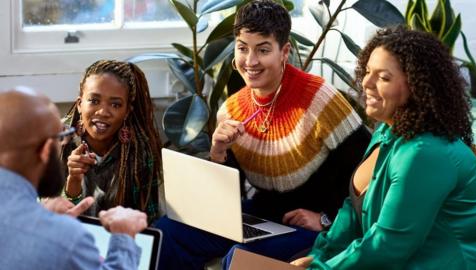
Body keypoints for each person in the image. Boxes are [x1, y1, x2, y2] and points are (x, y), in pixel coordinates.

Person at [154, 1, 372, 269]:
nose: (251, 61)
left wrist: (327, 218)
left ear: (285, 51)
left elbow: (368, 171)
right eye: (243, 48)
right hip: (264, 217)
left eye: (263, 50)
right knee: (167, 231)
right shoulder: (230, 110)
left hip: (318, 224)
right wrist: (219, 152)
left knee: (241, 257)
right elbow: (225, 199)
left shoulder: (320, 99)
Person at [290, 26, 476, 269]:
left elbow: (389, 246)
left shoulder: (425, 152)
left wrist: (323, 269)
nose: (366, 82)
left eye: (383, 77)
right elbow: (352, 212)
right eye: (368, 71)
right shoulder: (387, 130)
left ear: (417, 86)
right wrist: (321, 257)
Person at [0, 88, 148, 270]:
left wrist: (39, 214)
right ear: (46, 149)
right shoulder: (68, 240)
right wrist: (124, 238)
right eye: (60, 137)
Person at [60, 59, 164, 223]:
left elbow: (147, 221)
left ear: (127, 112)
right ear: (80, 104)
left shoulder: (140, 152)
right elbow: (46, 217)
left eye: (115, 104)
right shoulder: (56, 139)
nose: (103, 112)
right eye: (94, 101)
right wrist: (73, 181)